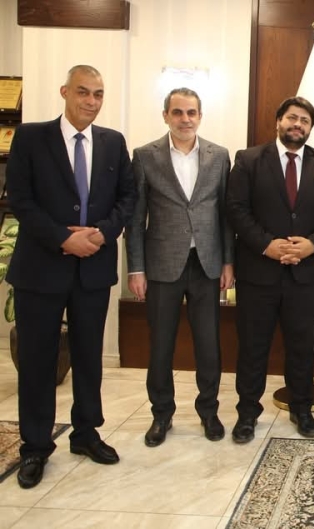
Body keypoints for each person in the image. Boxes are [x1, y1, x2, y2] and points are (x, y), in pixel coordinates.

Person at [6, 65, 136, 489]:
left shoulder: (113, 142)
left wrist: (101, 233)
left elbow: (127, 198)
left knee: (88, 356)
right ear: (64, 92)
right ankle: (35, 446)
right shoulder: (31, 137)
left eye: (98, 94)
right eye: (83, 92)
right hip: (41, 269)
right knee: (37, 362)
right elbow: (19, 199)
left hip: (92, 268)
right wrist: (64, 238)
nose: (91, 101)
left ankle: (85, 433)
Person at [225, 96, 314, 442]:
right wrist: (267, 245)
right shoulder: (248, 160)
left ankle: (301, 409)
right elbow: (235, 209)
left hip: (304, 276)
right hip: (258, 274)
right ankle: (247, 414)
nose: (297, 125)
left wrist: (311, 244)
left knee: (301, 346)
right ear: (279, 121)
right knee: (253, 348)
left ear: (311, 128)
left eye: (305, 121)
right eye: (292, 118)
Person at [125, 88, 234, 447]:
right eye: (178, 112)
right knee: (160, 345)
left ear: (200, 116)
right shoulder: (145, 156)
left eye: (191, 113)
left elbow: (225, 215)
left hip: (206, 265)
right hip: (161, 266)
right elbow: (135, 219)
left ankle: (209, 411)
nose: (185, 119)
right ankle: (161, 414)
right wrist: (136, 269)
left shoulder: (219, 156)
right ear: (166, 116)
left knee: (209, 345)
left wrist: (228, 262)